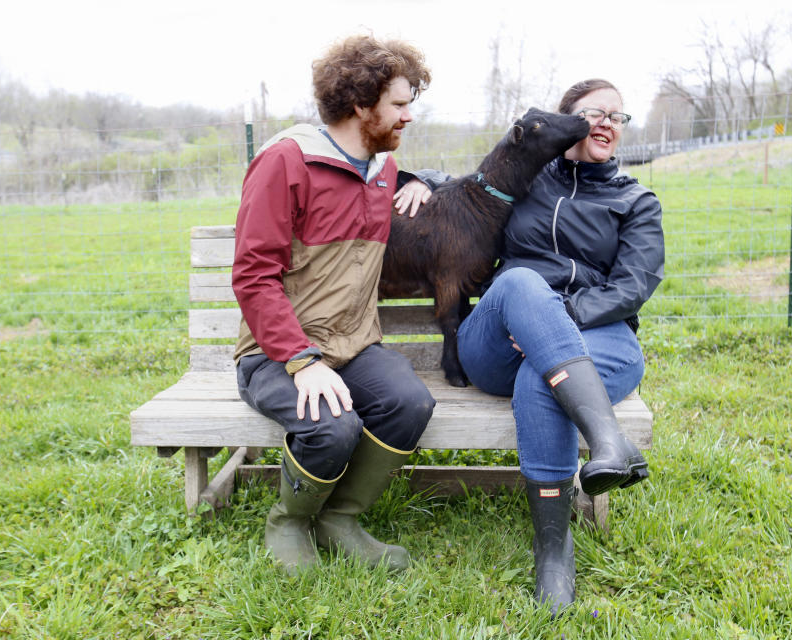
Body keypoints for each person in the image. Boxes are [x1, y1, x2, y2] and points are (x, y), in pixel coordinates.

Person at [396, 78, 664, 615]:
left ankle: (553, 552)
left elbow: (634, 285)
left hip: (598, 337)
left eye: (618, 115)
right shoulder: (527, 181)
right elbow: (465, 181)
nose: (607, 122)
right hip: (498, 336)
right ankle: (608, 440)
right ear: (566, 122)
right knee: (519, 283)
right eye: (593, 113)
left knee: (540, 376)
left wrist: (562, 314)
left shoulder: (636, 201)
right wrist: (415, 179)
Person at [231, 35, 435, 575]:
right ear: (360, 105)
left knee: (410, 403)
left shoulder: (384, 170)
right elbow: (253, 276)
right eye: (398, 104)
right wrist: (300, 360)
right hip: (275, 352)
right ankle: (290, 520)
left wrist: (423, 182)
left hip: (354, 344)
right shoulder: (285, 163)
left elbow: (372, 180)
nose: (408, 116)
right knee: (332, 426)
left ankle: (340, 518)